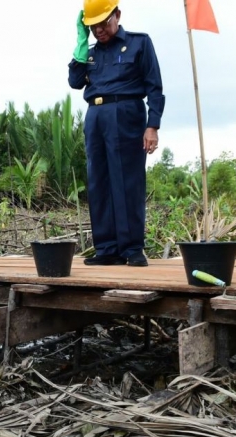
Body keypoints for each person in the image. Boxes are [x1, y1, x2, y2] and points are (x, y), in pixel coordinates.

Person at [68, 0, 165, 267]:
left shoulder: (139, 43)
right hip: (96, 116)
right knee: (99, 182)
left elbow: (154, 87)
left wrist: (152, 125)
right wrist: (79, 43)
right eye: (92, 26)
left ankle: (132, 248)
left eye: (103, 22)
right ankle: (107, 248)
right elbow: (75, 82)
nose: (98, 29)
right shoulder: (88, 53)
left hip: (126, 113)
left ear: (117, 15)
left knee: (127, 181)